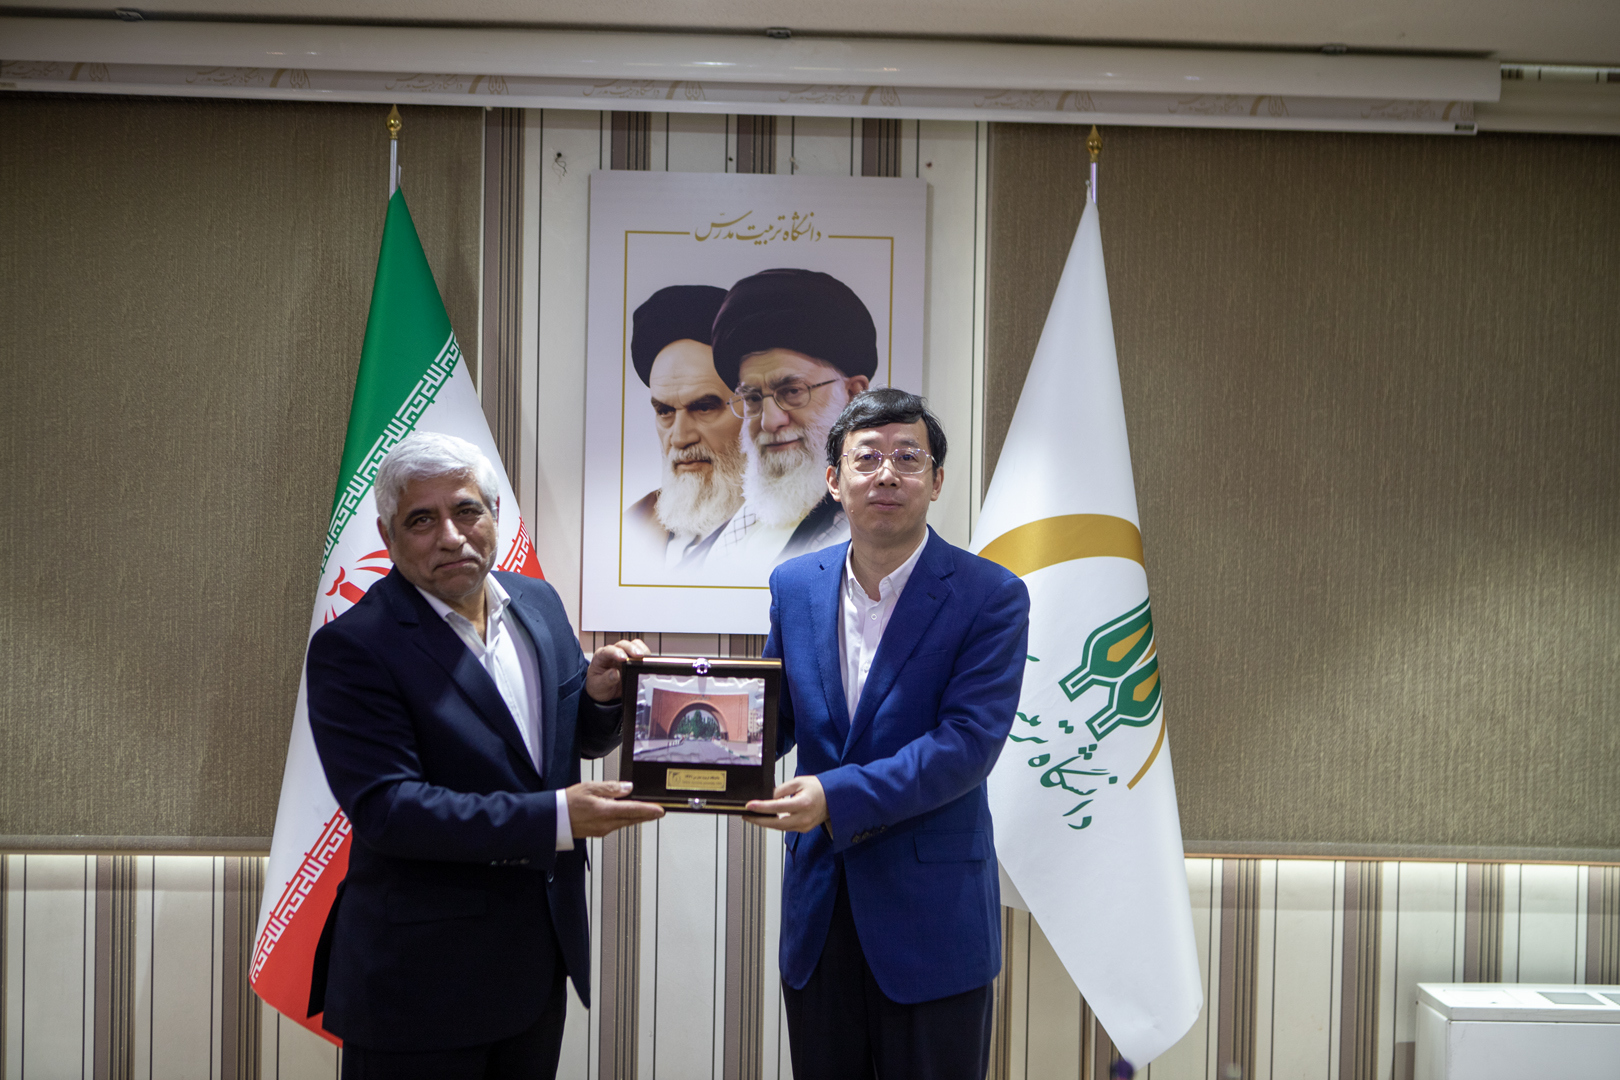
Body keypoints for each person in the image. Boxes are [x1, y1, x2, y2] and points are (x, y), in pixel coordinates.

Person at [305, 431, 665, 1080]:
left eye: (466, 510)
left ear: (495, 514)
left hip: (535, 965)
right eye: (422, 520)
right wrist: (558, 817)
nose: (450, 536)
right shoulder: (355, 648)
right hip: (418, 985)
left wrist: (598, 697)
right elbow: (389, 809)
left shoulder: (538, 602)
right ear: (388, 536)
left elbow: (557, 747)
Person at [745, 389, 1031, 1080]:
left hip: (933, 922)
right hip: (820, 914)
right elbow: (771, 720)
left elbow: (966, 746)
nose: (887, 474)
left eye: (908, 457)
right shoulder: (794, 586)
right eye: (867, 457)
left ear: (936, 480)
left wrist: (834, 797)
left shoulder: (990, 596)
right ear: (833, 480)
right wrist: (677, 731)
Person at [708, 268, 875, 577]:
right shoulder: (717, 541)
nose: (769, 421)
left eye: (792, 392)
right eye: (753, 398)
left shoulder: (871, 537)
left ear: (853, 396)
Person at [622, 285, 744, 577]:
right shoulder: (635, 522)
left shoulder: (800, 528)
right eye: (665, 411)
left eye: (704, 408)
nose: (679, 437)